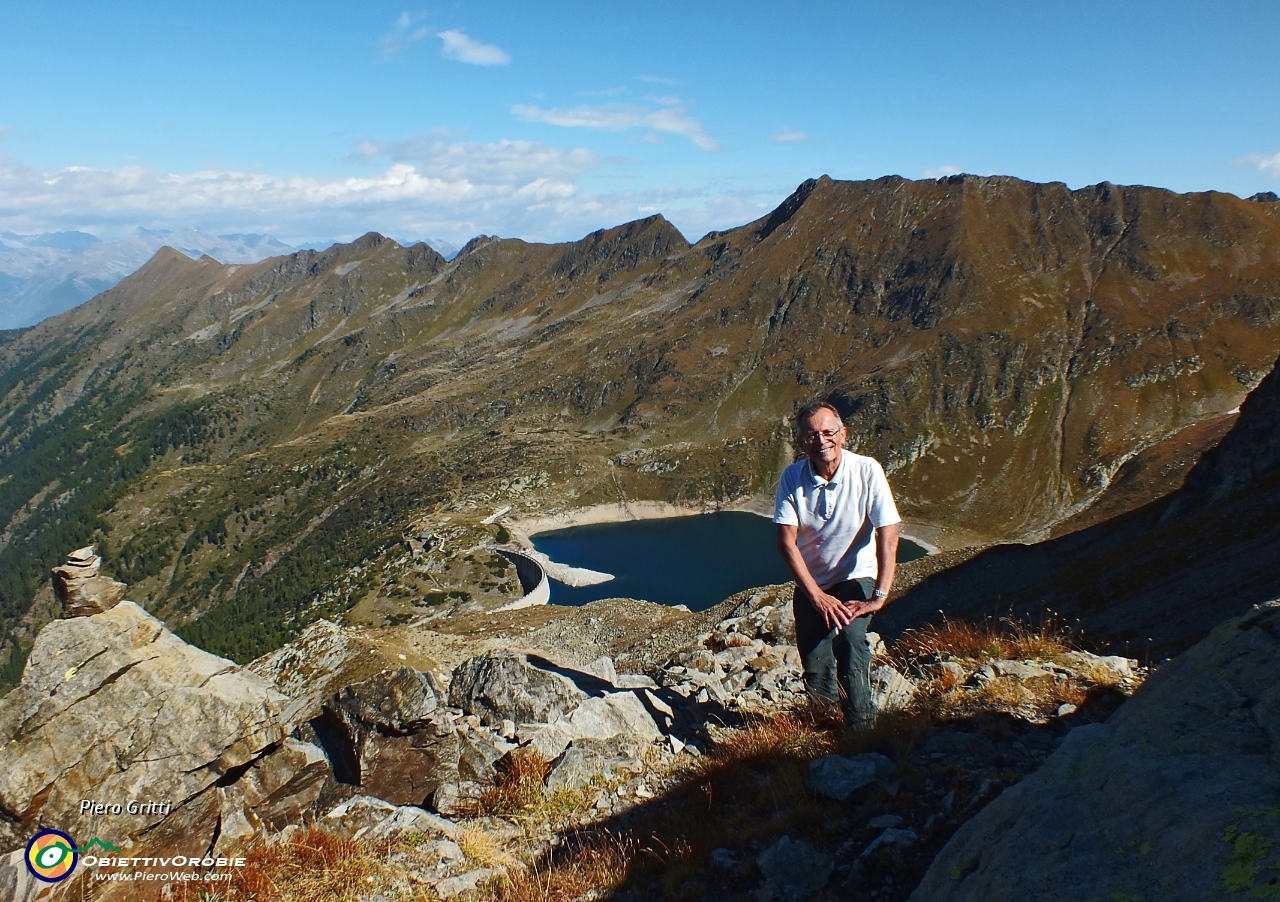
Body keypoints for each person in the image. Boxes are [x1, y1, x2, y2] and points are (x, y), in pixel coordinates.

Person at [774, 401, 900, 728]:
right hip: (812, 585)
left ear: (843, 434)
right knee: (815, 667)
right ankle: (822, 728)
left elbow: (888, 535)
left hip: (855, 578)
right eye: (811, 434)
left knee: (850, 642)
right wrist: (815, 595)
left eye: (829, 432)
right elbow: (787, 543)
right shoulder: (792, 477)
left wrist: (879, 596)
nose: (821, 440)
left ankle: (861, 730)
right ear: (801, 441)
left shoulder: (867, 470)